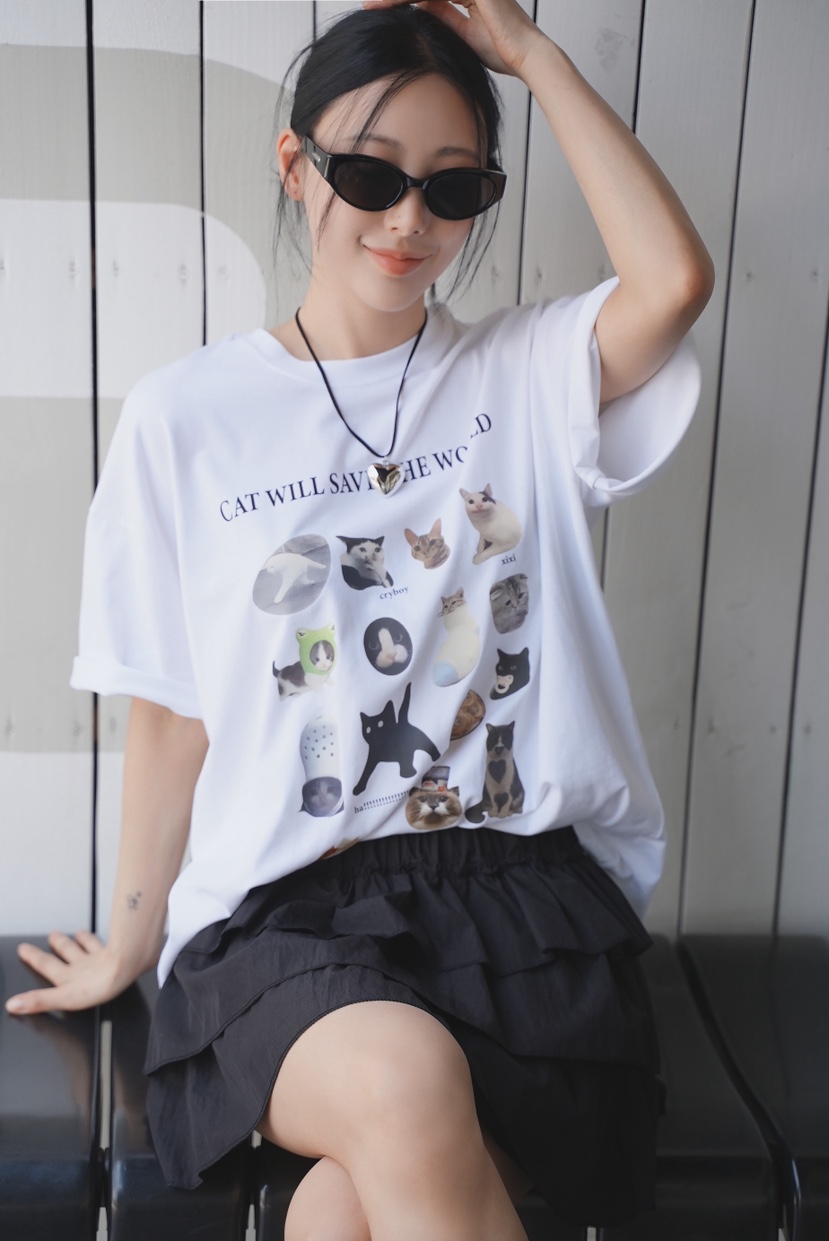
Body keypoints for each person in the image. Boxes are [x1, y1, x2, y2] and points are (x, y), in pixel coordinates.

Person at [6, 1, 713, 1236]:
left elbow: (673, 280)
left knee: (337, 1212)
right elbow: (172, 710)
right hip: (287, 911)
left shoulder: (524, 373)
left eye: (453, 188)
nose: (406, 221)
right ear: (296, 164)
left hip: (519, 913)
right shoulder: (187, 417)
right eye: (371, 175)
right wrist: (130, 939)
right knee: (398, 1079)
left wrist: (535, 58)